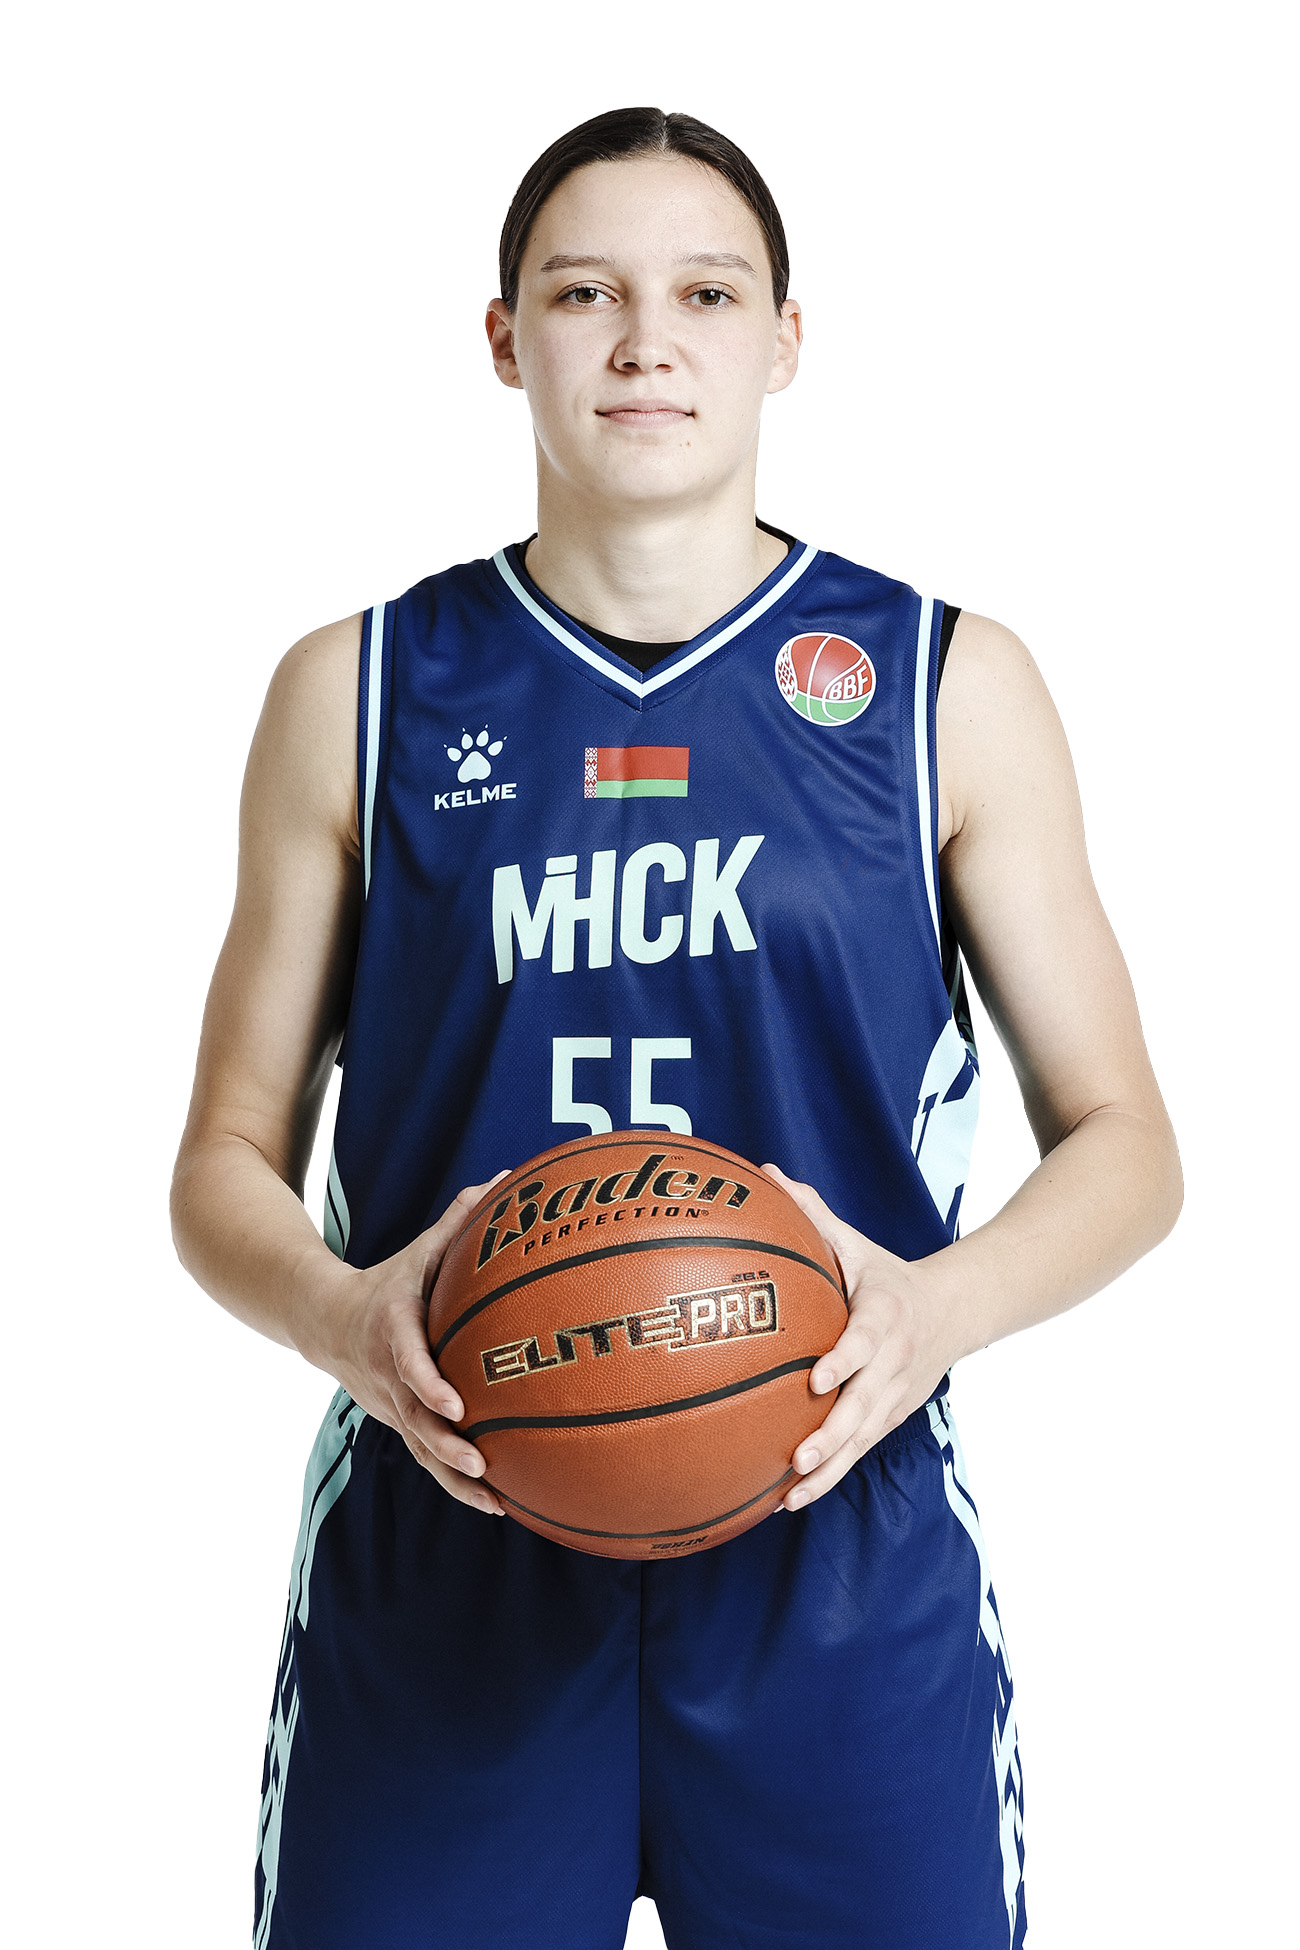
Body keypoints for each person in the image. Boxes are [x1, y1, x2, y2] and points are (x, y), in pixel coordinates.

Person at [171, 106, 1181, 1950]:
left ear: (786, 339)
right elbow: (224, 1157)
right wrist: (341, 1313)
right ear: (506, 339)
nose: (647, 341)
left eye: (707, 294)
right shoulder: (362, 689)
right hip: (452, 1522)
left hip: (834, 1534)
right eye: (586, 293)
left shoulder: (942, 683)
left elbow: (1129, 1141)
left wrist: (936, 1310)